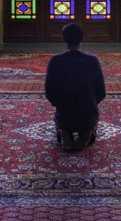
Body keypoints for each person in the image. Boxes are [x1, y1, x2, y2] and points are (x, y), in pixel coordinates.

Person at [44, 22, 106, 153]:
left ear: (64, 39)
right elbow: (101, 92)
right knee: (92, 120)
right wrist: (90, 103)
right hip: (87, 114)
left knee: (60, 120)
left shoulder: (55, 61)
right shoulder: (92, 60)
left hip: (65, 115)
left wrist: (60, 104)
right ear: (82, 39)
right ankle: (87, 133)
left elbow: (49, 91)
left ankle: (64, 133)